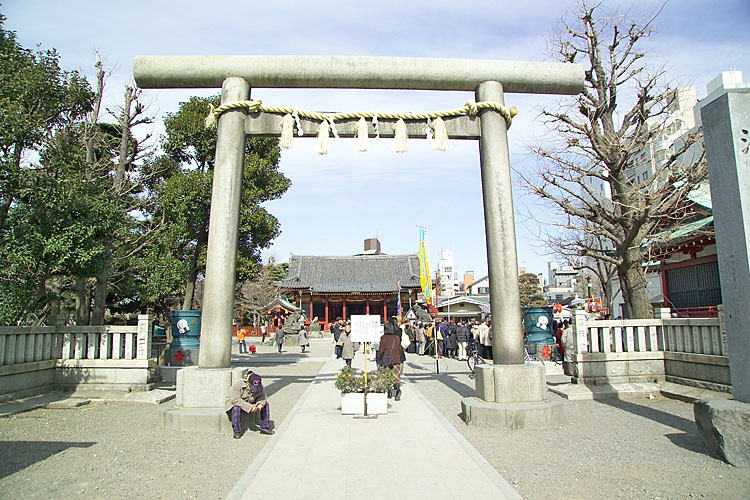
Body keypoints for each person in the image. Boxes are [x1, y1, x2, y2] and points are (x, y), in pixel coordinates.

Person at [225, 370, 274, 438]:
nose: (255, 389)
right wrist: (250, 407)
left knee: (266, 404)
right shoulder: (238, 384)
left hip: (250, 401)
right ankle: (237, 431)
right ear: (247, 382)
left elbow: (262, 396)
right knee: (236, 408)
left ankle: (264, 427)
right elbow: (235, 400)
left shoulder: (259, 386)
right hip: (236, 403)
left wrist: (260, 403)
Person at [378, 323, 404, 400]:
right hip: (396, 359)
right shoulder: (396, 338)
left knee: (386, 376)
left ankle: (389, 391)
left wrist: (381, 357)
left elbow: (381, 350)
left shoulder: (383, 338)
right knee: (396, 376)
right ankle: (398, 391)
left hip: (386, 360)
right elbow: (399, 349)